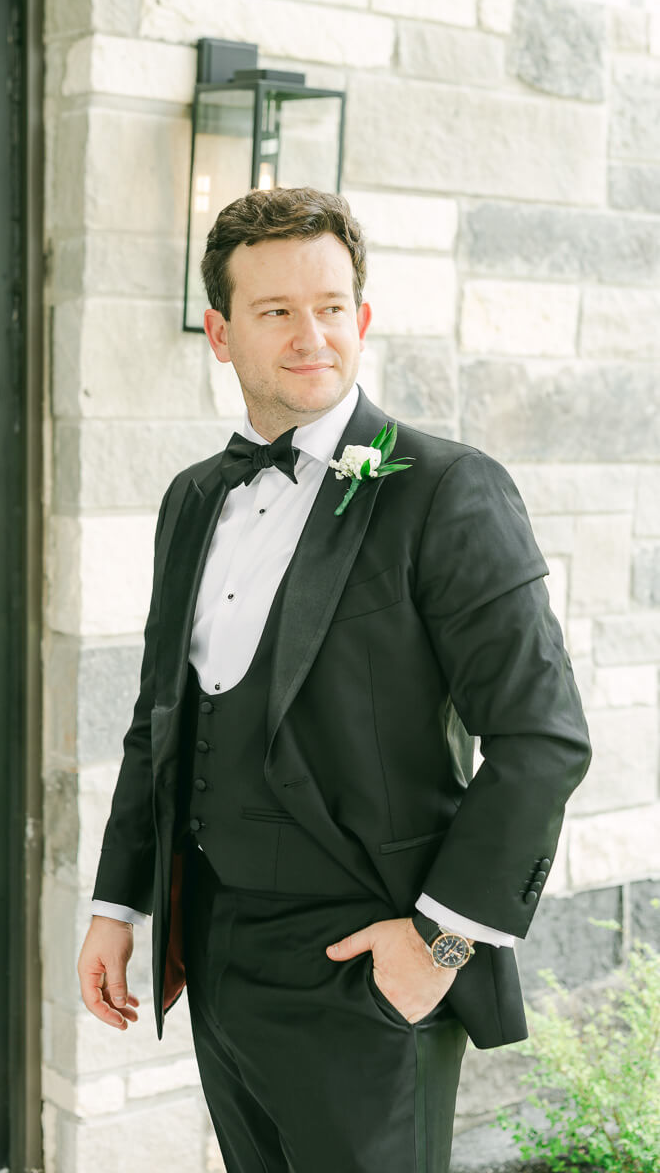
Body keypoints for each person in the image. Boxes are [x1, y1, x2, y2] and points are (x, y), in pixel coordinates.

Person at [77, 187, 591, 1173]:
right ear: (221, 334)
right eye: (275, 312)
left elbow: (543, 738)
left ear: (360, 317)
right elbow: (161, 718)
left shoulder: (445, 490)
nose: (310, 335)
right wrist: (119, 905)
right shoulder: (195, 498)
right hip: (218, 949)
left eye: (329, 307)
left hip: (367, 967)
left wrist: (437, 944)